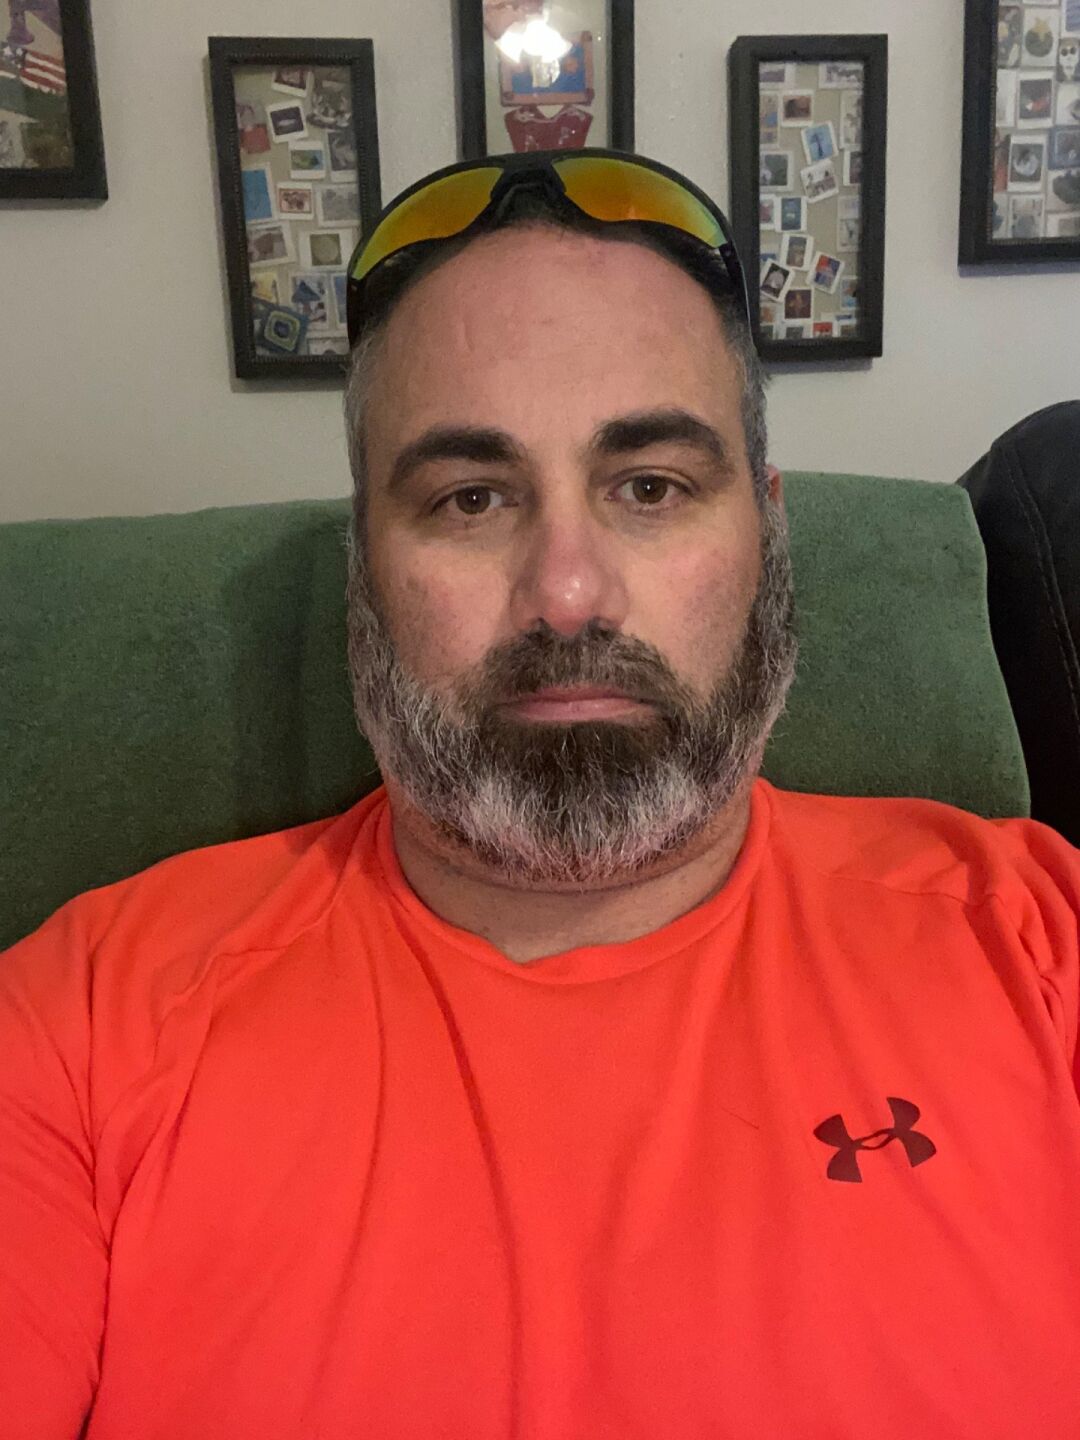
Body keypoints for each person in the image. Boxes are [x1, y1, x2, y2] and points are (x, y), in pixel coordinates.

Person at [2, 149, 1080, 1439]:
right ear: (364, 568)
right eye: (471, 499)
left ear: (767, 535)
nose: (567, 594)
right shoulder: (74, 1030)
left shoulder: (1041, 947)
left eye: (650, 488)